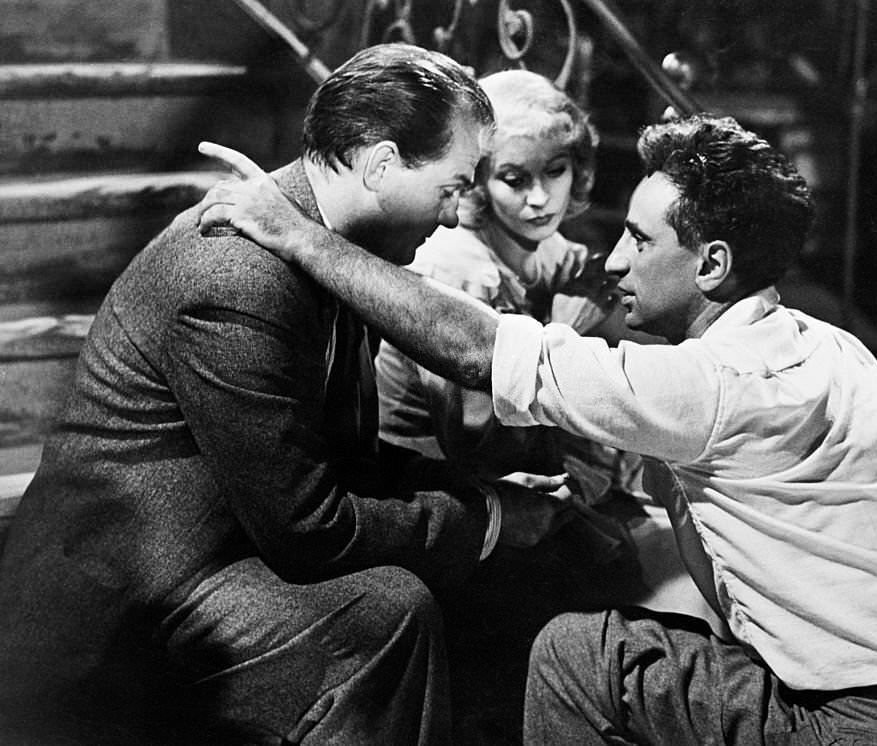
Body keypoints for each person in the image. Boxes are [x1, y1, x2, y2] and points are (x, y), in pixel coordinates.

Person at [195, 111, 877, 744]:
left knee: (575, 654)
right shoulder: (823, 345)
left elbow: (475, 348)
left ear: (712, 265)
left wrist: (295, 233)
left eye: (636, 237)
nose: (614, 260)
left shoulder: (706, 385)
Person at [0, 42, 571, 746]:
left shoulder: (334, 245)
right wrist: (486, 519)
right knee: (387, 610)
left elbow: (337, 456)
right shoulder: (234, 276)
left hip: (222, 550)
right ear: (380, 165)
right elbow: (310, 529)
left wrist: (489, 499)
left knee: (482, 577)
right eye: (453, 186)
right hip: (123, 610)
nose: (457, 216)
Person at [375, 67, 640, 498]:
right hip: (430, 484)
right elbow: (477, 440)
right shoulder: (460, 269)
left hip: (514, 464)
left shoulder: (547, 245)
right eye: (514, 180)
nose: (539, 199)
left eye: (555, 171)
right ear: (478, 180)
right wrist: (562, 332)